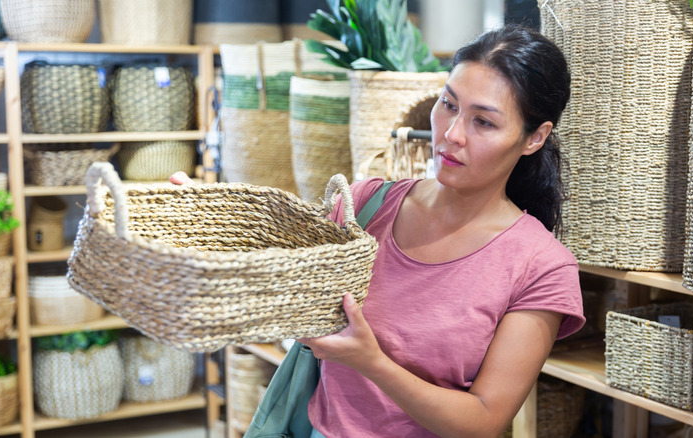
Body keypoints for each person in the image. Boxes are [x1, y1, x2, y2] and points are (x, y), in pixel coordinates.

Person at [172, 24, 583, 438]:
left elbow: (483, 421)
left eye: (484, 123)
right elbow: (279, 282)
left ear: (534, 137)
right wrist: (211, 222)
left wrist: (373, 363)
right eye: (449, 104)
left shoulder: (541, 267)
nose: (452, 135)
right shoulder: (366, 206)